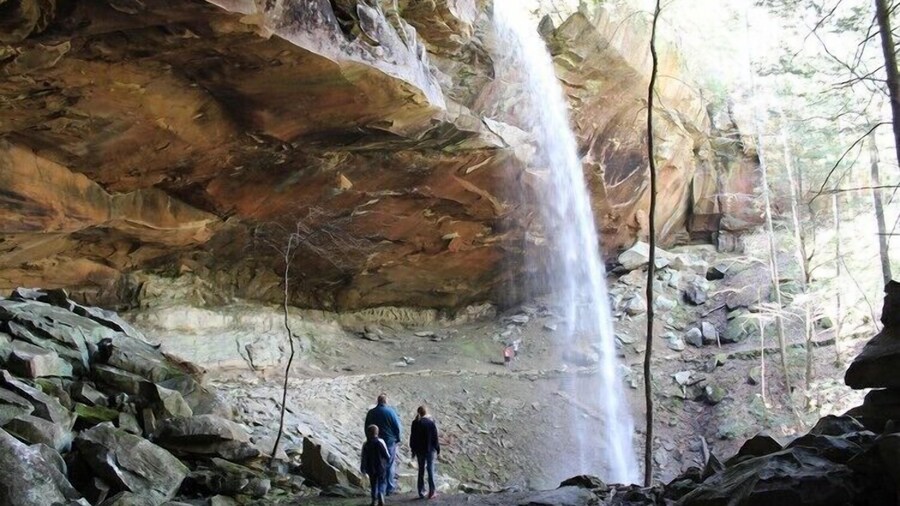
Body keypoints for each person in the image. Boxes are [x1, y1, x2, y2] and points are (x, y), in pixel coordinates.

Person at [365, 393, 402, 495]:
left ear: (378, 401)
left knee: (375, 464)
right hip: (389, 441)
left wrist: (368, 439)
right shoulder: (391, 412)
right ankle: (389, 488)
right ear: (386, 401)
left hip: (373, 441)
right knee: (389, 464)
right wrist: (398, 438)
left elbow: (367, 427)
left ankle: (376, 490)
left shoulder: (371, 412)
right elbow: (397, 427)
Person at [409, 405, 440, 499]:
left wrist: (413, 449)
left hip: (419, 450)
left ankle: (421, 491)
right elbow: (435, 438)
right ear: (426, 412)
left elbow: (412, 438)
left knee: (421, 470)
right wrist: (438, 449)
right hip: (429, 450)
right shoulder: (430, 423)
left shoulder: (415, 423)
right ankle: (432, 491)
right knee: (430, 469)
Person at [360, 425, 390, 506]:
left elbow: (363, 457)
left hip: (371, 468)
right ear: (377, 432)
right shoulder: (380, 442)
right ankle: (381, 493)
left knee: (373, 484)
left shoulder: (365, 444)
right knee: (382, 482)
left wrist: (363, 468)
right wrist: (387, 462)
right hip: (381, 467)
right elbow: (387, 455)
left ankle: (374, 500)